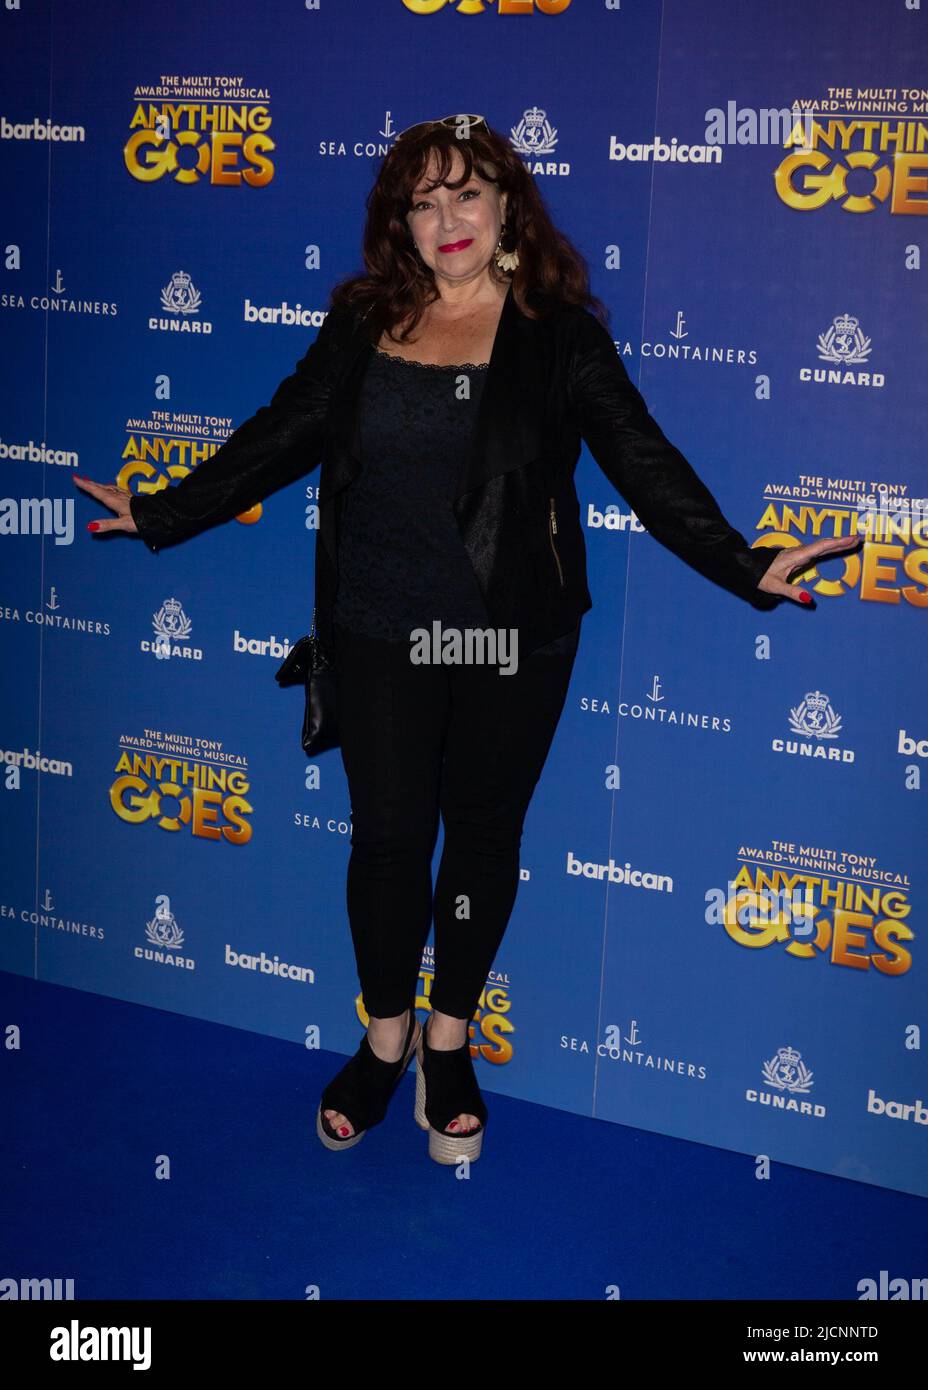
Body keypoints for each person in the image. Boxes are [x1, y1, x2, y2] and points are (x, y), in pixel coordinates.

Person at [74, 114, 858, 1166]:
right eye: (422, 199)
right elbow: (282, 430)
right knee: (389, 840)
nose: (445, 217)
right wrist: (165, 510)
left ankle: (449, 1044)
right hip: (379, 634)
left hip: (507, 642)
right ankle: (384, 1038)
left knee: (482, 837)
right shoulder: (364, 320)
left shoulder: (557, 334)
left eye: (466, 193)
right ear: (401, 221)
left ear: (507, 208)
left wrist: (738, 559)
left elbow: (639, 455)